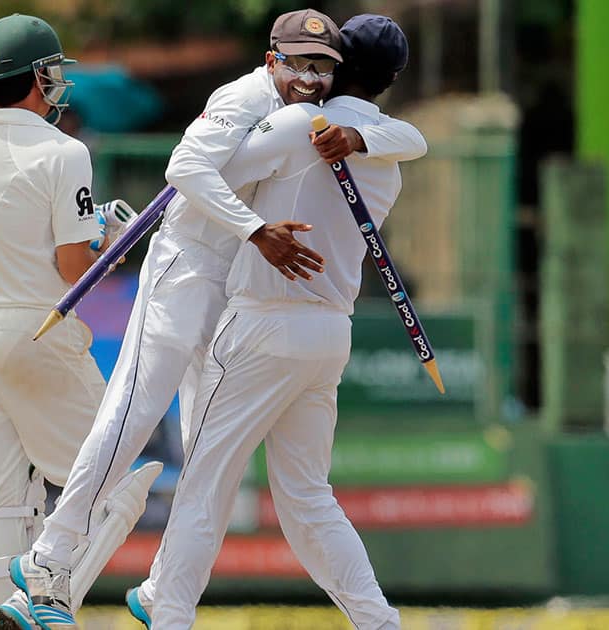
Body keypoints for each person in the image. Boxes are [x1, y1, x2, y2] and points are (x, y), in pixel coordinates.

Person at [6, 8, 427, 630]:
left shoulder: (307, 120)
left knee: (206, 467)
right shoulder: (265, 103)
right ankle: (55, 556)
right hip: (200, 268)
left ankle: (141, 595)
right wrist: (260, 225)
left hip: (246, 296)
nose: (310, 76)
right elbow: (188, 170)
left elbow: (399, 138)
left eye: (323, 65)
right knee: (140, 409)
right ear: (270, 58)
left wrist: (353, 140)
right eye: (300, 62)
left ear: (341, 72)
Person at [136, 15, 425, 629]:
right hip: (329, 334)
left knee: (205, 485)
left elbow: (206, 176)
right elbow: (406, 137)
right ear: (393, 81)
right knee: (308, 499)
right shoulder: (389, 150)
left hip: (261, 324)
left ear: (337, 65)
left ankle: (170, 619)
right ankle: (379, 622)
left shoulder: (297, 122)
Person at [0, 14, 149, 629]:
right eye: (51, 73)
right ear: (36, 78)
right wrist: (115, 241)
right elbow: (71, 266)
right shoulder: (66, 151)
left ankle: (6, 611)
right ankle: (46, 604)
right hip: (37, 332)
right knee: (116, 486)